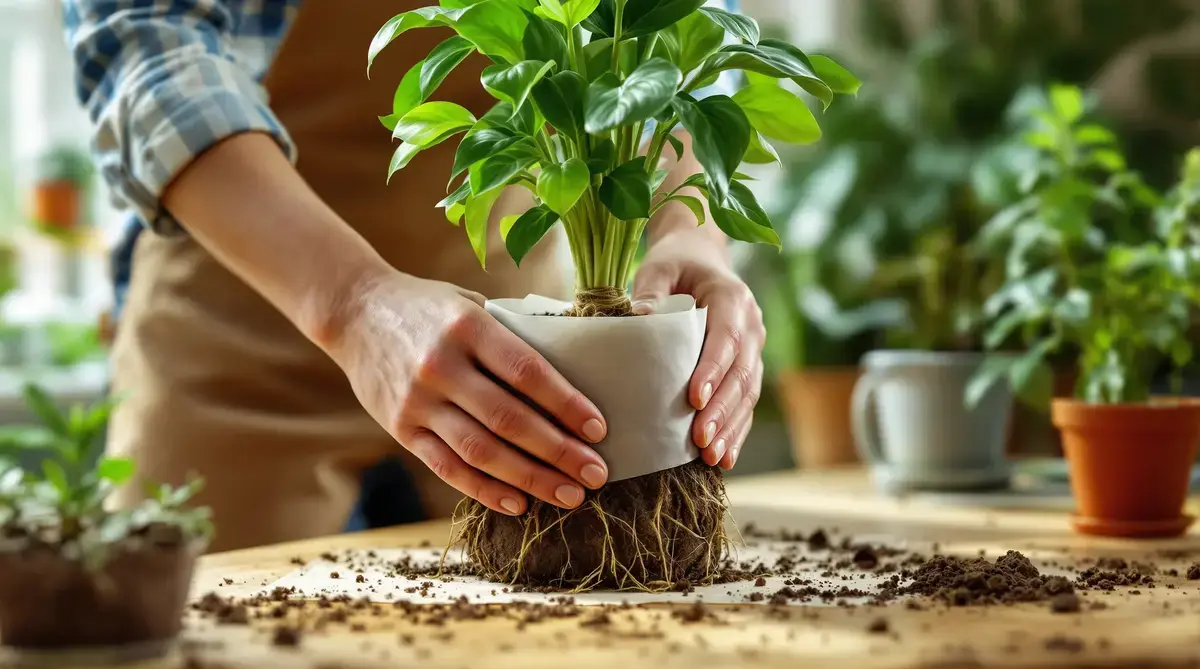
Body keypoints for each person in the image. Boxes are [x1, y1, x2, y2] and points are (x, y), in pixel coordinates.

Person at [63, 0, 766, 553]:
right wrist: (352, 300)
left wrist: (693, 233)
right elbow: (145, 42)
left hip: (506, 362)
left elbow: (669, 34)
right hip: (234, 337)